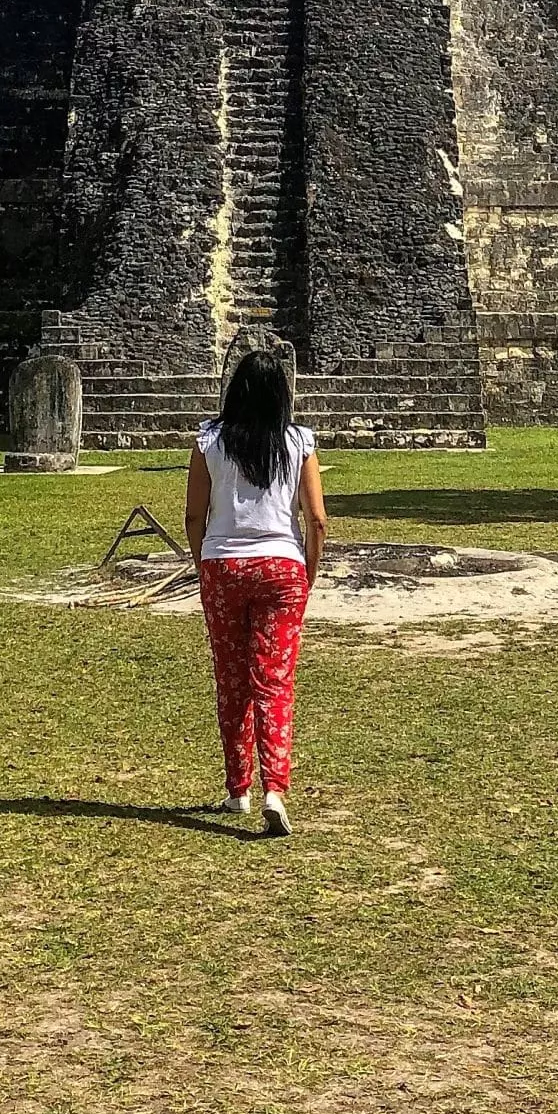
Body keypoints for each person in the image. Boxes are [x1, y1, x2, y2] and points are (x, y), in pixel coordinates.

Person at [185, 345, 327, 836]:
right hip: (282, 568)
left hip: (223, 565)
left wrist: (203, 560)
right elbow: (318, 520)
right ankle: (275, 789)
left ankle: (237, 788)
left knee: (232, 678)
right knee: (275, 681)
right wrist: (306, 573)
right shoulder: (299, 442)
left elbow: (193, 516)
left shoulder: (209, 442)